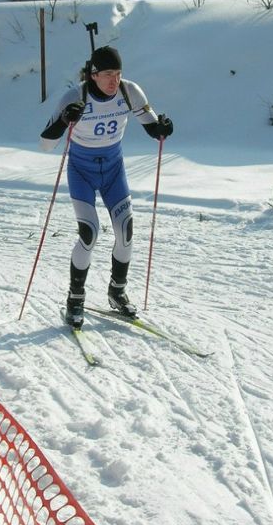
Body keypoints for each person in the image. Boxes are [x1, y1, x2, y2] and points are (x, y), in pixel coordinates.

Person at [39, 45, 173, 329]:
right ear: (93, 75)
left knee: (125, 230)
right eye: (108, 74)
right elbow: (46, 143)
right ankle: (75, 297)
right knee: (89, 233)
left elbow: (152, 127)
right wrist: (65, 120)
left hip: (113, 170)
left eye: (119, 73)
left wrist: (162, 128)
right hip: (82, 171)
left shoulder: (129, 92)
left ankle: (117, 291)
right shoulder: (74, 97)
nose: (115, 81)